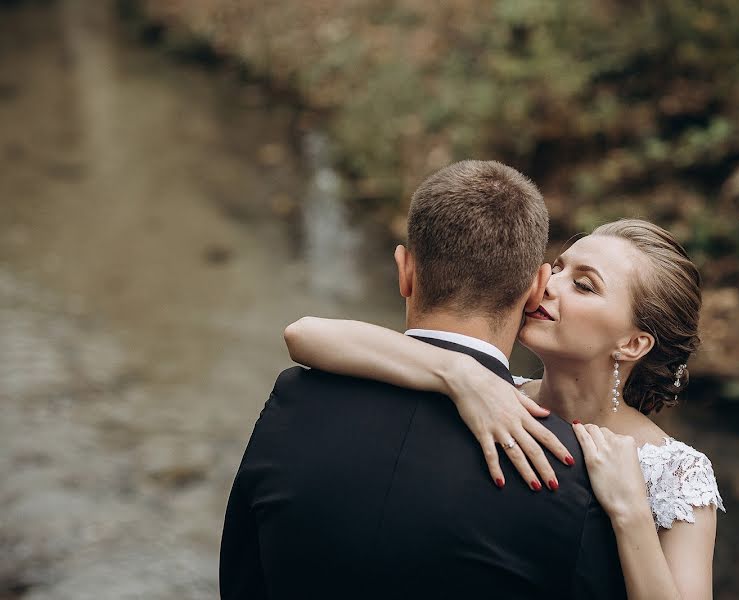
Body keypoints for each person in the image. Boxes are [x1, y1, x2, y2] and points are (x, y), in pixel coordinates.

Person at [219, 160, 627, 599]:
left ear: (404, 270)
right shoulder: (566, 468)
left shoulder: (294, 399)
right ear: (536, 287)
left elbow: (242, 578)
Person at [284, 219, 725, 599]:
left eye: (584, 285)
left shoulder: (677, 474)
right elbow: (306, 336)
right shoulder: (487, 389)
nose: (548, 284)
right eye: (559, 267)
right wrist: (458, 373)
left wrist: (630, 511)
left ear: (632, 344)